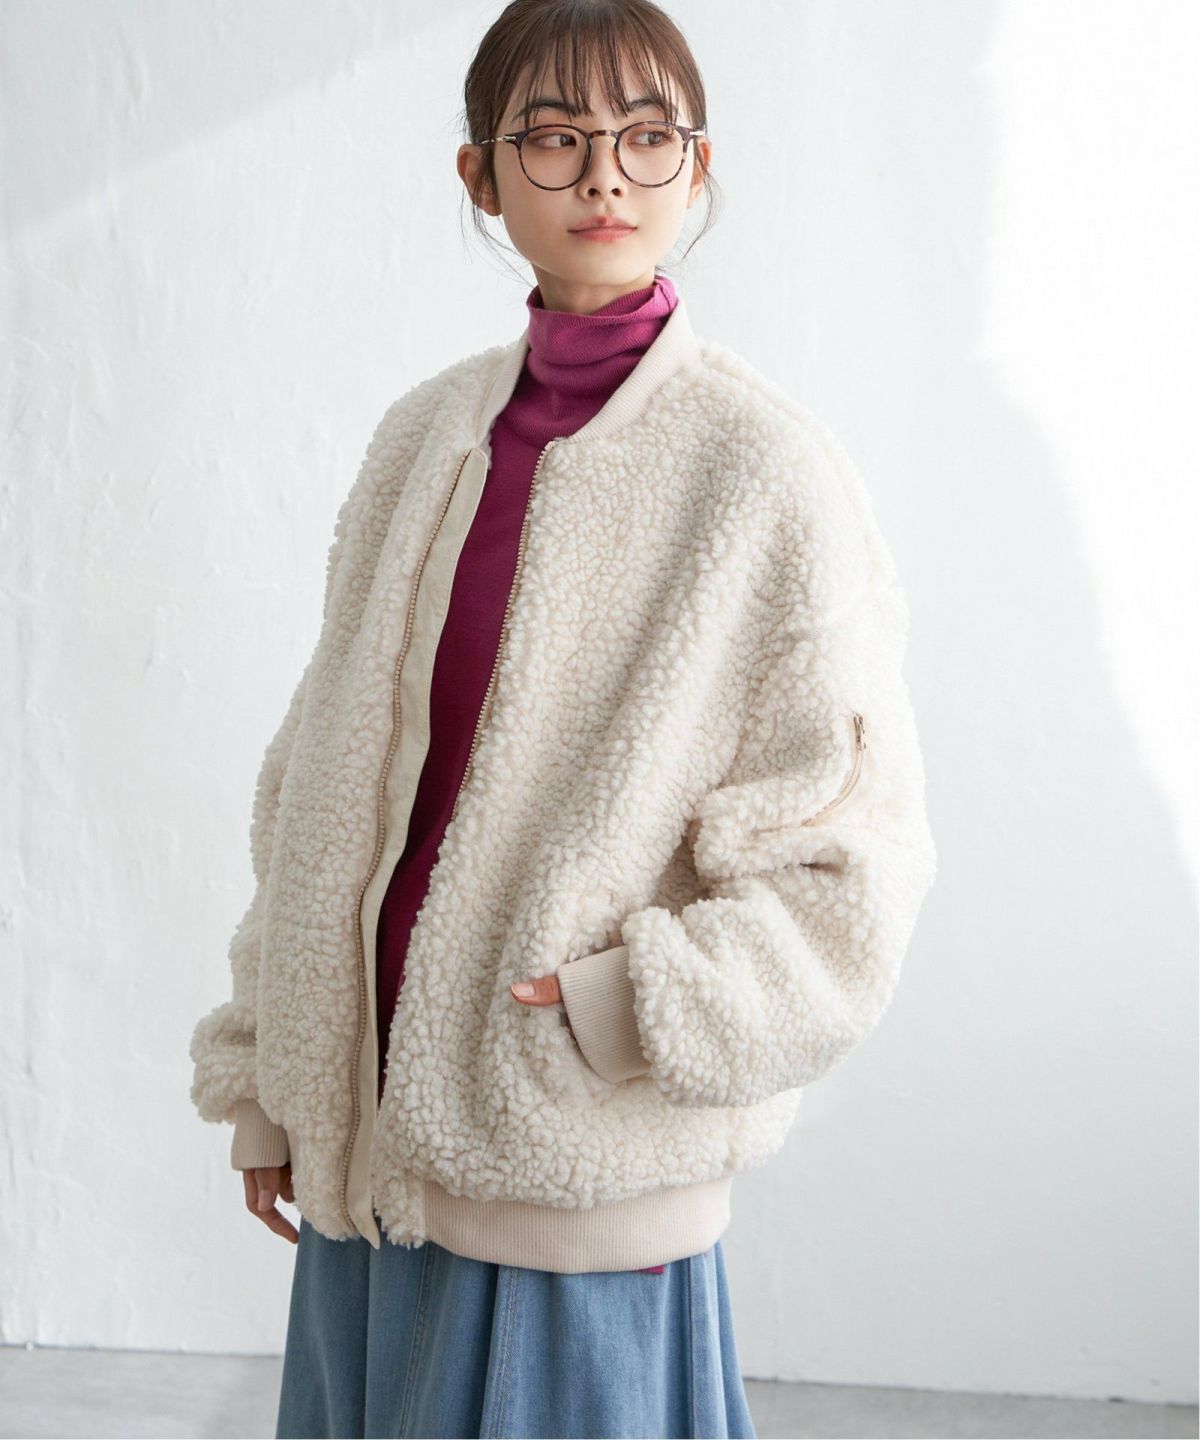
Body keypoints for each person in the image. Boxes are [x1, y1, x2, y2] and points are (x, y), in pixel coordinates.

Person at [187, 2, 938, 1436]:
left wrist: (623, 1008)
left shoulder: (763, 475)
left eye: (648, 137)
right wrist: (276, 1073)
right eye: (555, 137)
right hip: (369, 1169)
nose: (605, 175)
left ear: (697, 168)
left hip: (571, 1165)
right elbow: (317, 795)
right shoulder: (422, 441)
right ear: (480, 175)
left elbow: (853, 870)